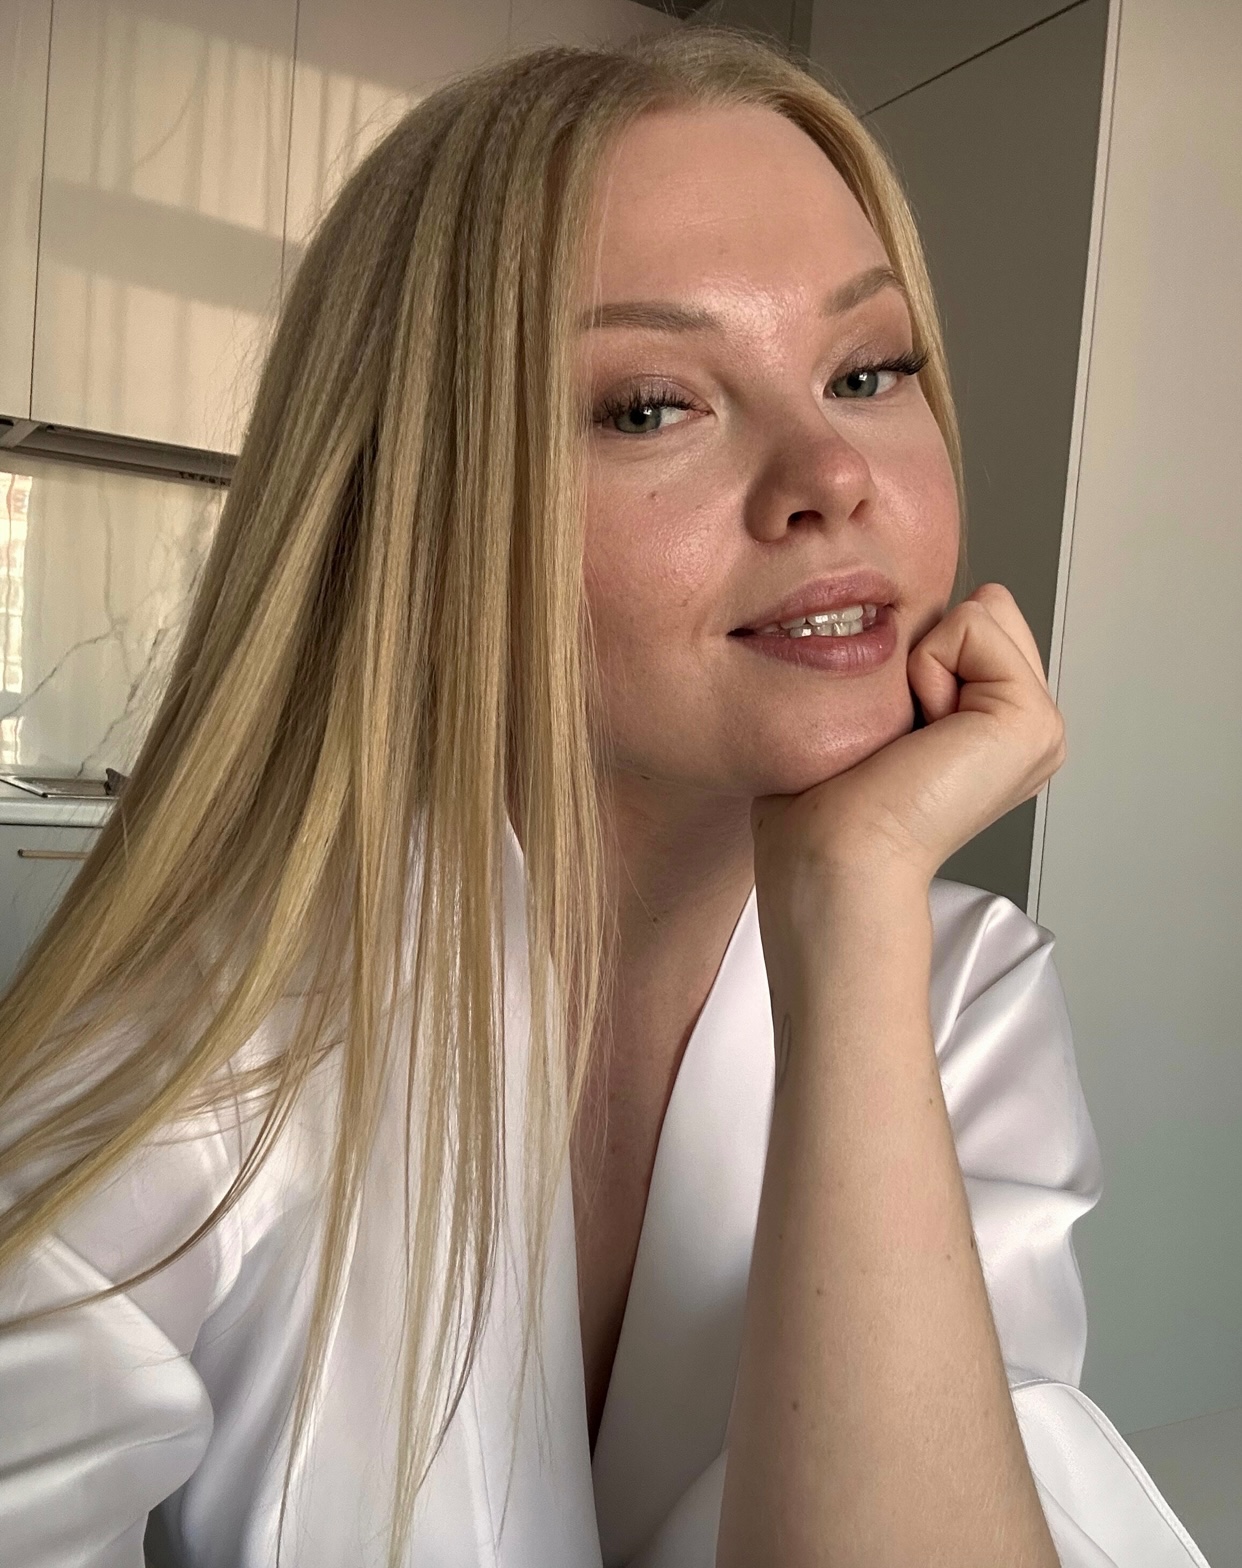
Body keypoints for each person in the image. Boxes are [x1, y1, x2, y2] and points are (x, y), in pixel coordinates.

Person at [0, 24, 1213, 1568]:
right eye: (651, 404)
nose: (832, 476)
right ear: (423, 503)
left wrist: (851, 909)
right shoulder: (201, 1038)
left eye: (866, 370)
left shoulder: (958, 994)